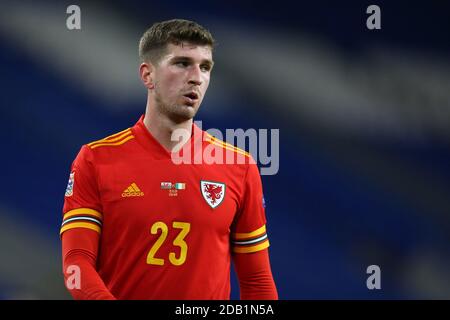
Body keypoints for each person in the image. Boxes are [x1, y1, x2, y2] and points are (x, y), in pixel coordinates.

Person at [61, 19, 278, 300]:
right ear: (147, 75)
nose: (196, 77)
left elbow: (257, 281)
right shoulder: (96, 160)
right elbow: (76, 264)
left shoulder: (239, 166)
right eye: (182, 63)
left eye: (205, 67)